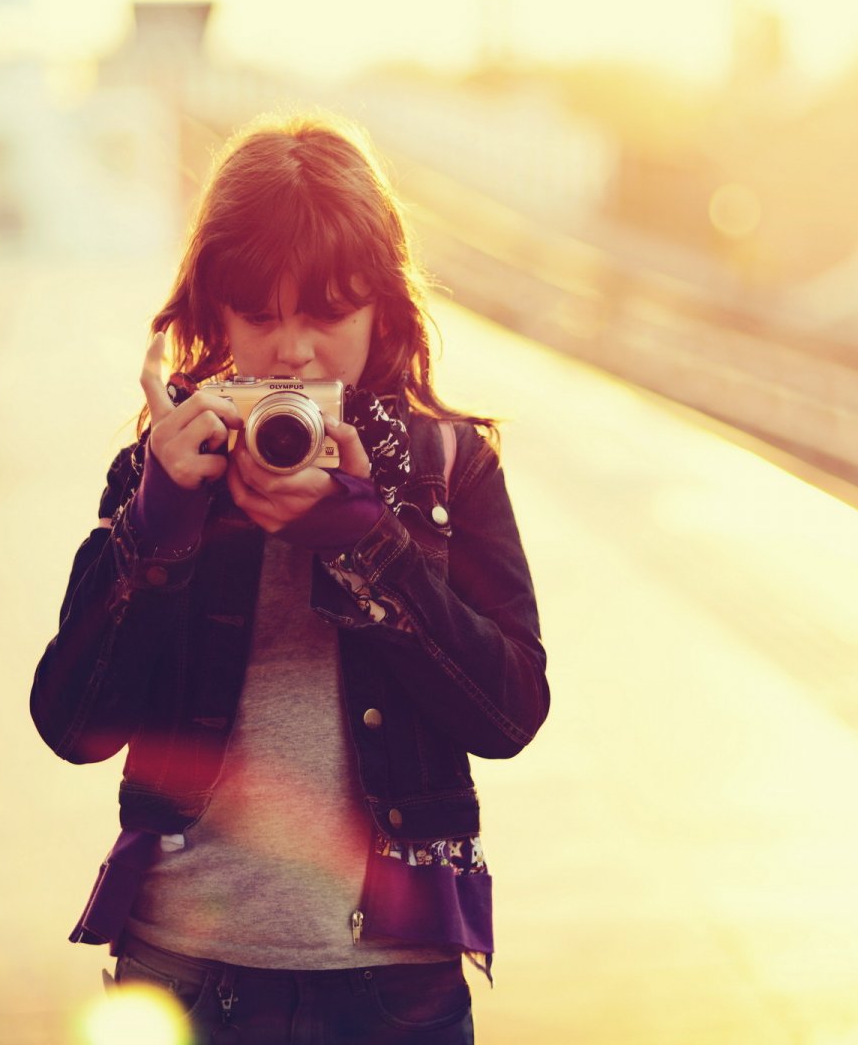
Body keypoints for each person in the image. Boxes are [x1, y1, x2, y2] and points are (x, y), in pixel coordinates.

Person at [29, 111, 549, 1043]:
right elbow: (73, 725)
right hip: (183, 974)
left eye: (327, 312)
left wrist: (366, 543)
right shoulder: (166, 468)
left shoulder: (446, 466)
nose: (293, 350)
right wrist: (159, 526)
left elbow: (510, 713)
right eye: (261, 314)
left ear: (382, 306)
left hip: (397, 983)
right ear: (213, 313)